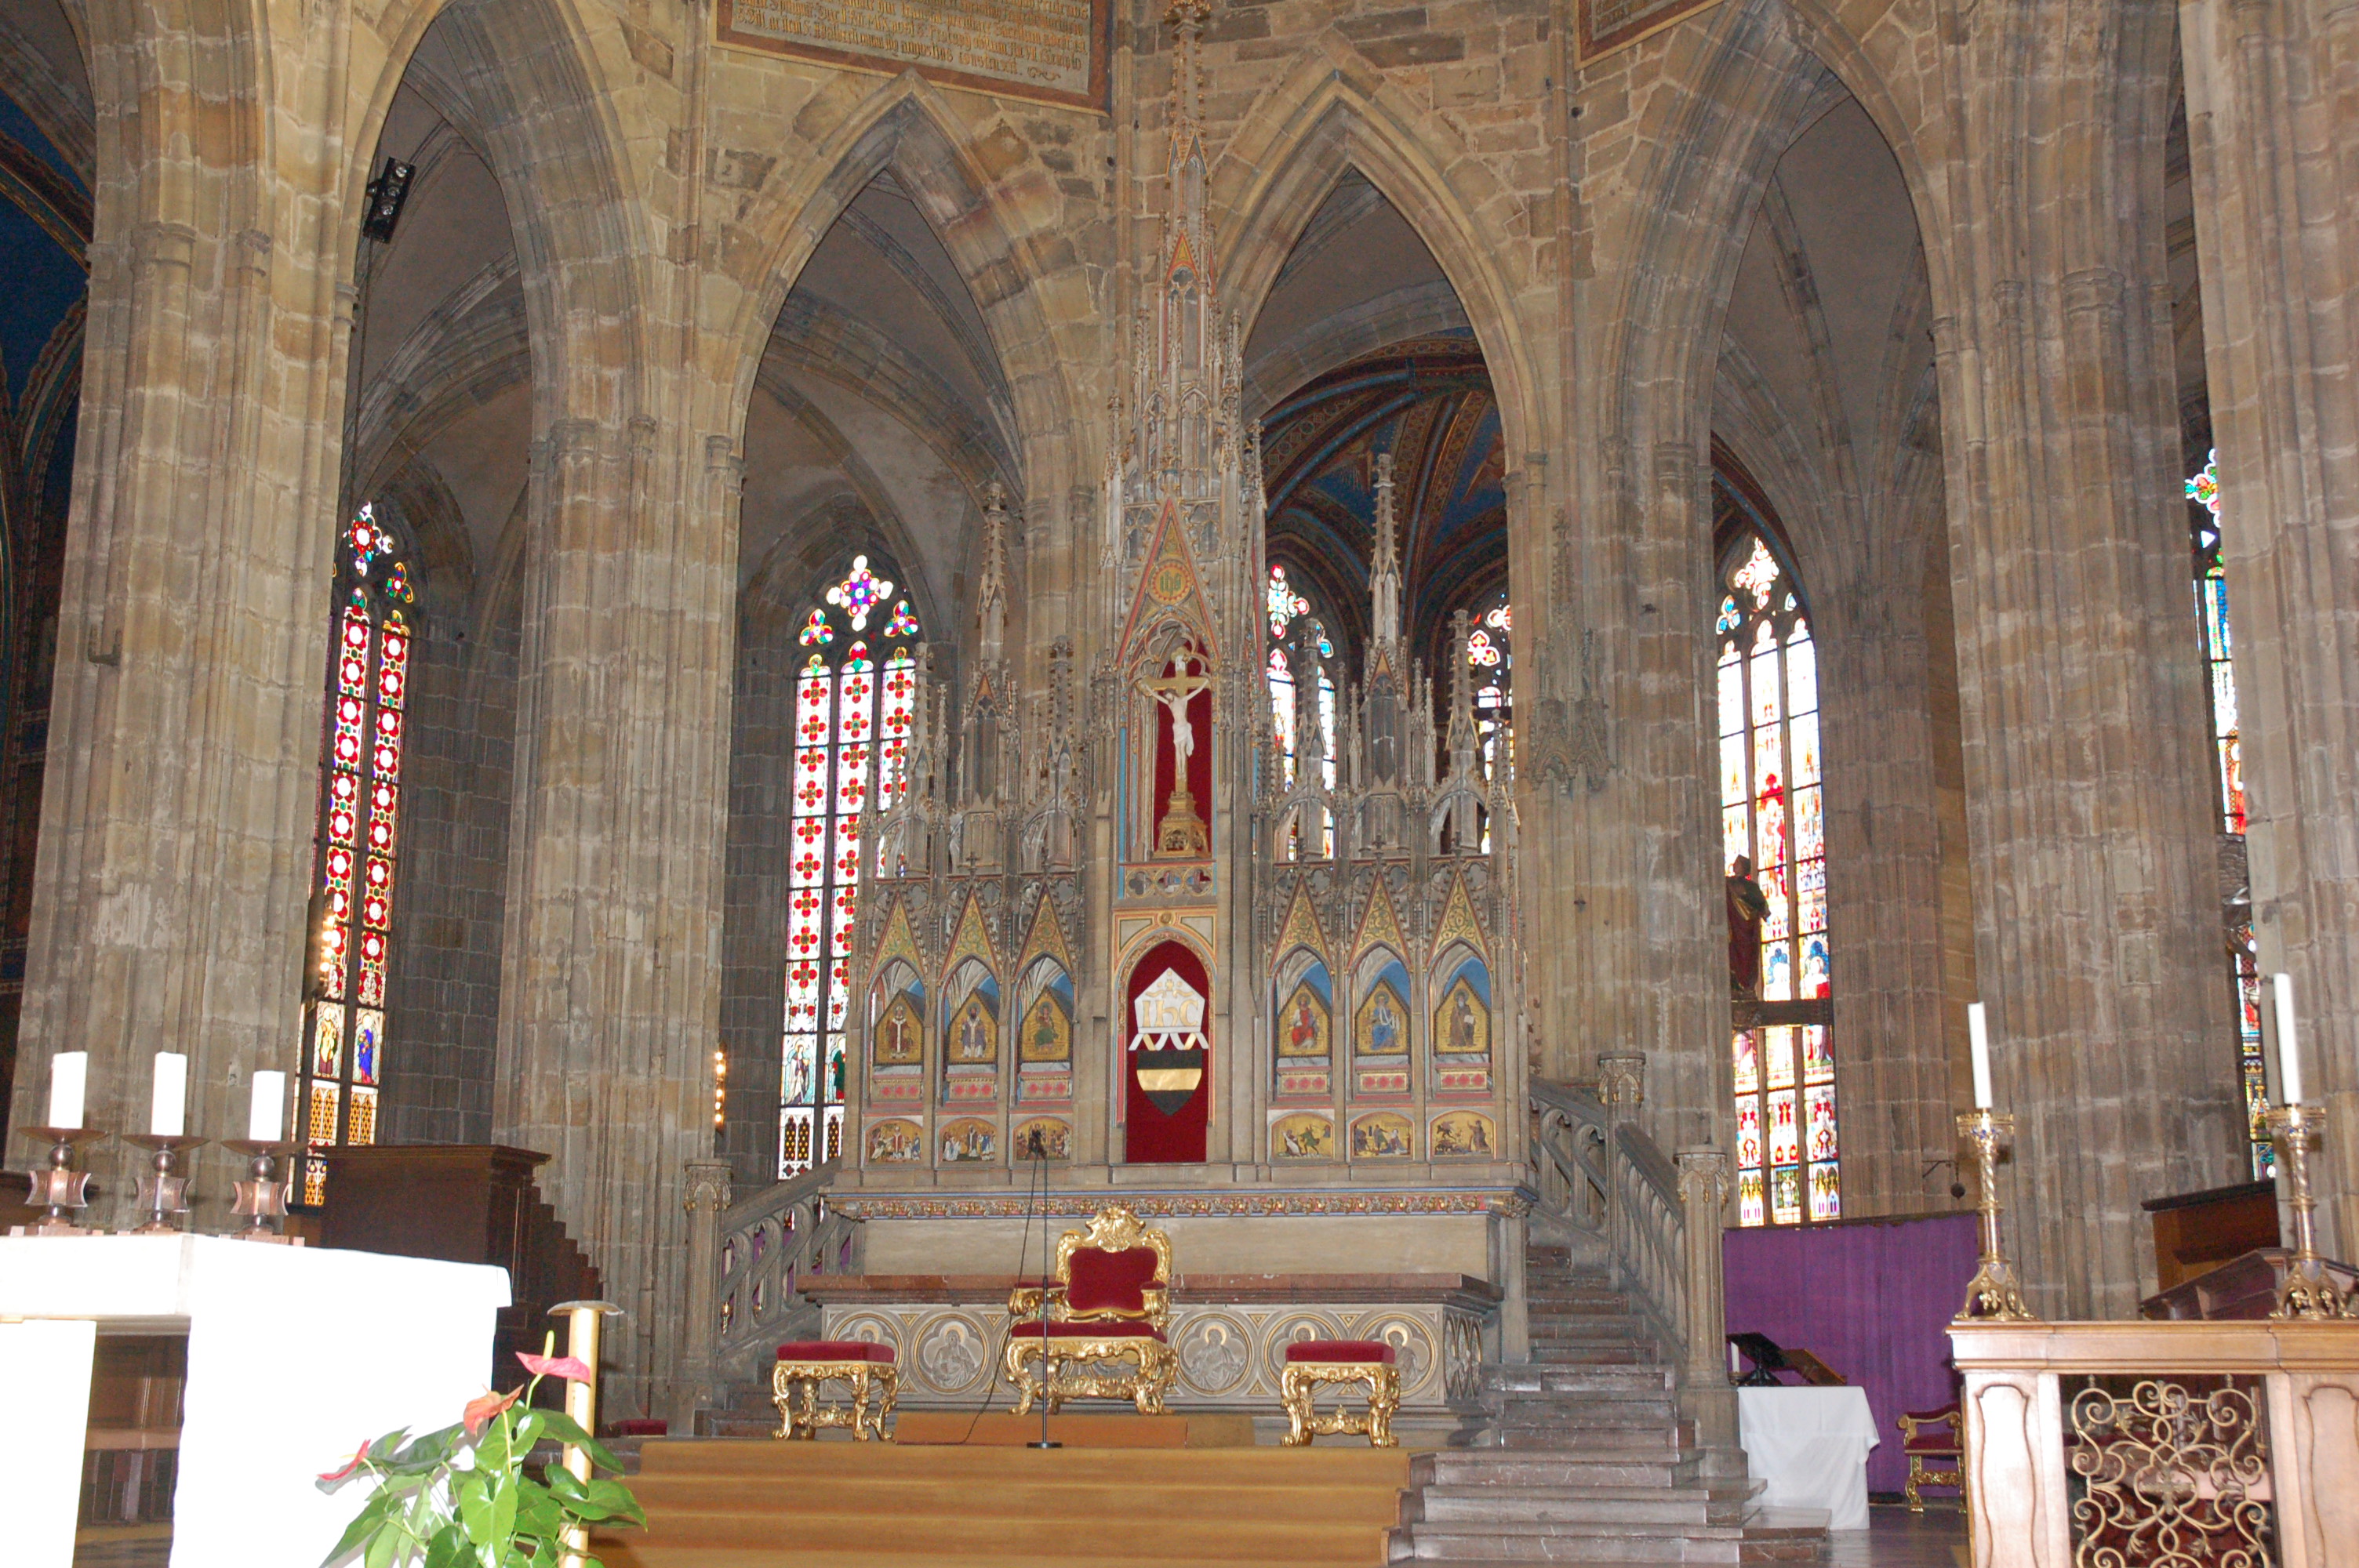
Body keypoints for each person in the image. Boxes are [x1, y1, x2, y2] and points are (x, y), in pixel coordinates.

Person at [1727, 855, 1769, 996]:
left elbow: (1761, 904)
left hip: (1747, 930)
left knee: (1747, 958)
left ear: (1744, 868)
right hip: (1734, 929)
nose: (1735, 865)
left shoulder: (1752, 887)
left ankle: (1747, 987)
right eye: (1735, 863)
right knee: (1733, 955)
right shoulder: (1727, 883)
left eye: (1738, 863)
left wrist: (1744, 893)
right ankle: (1735, 986)